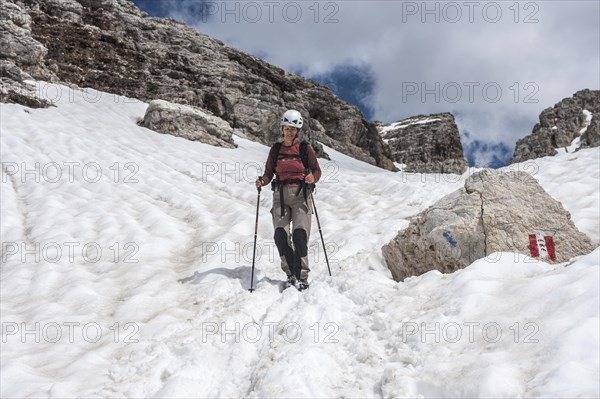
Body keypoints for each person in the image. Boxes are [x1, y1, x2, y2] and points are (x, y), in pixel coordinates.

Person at [255, 109, 322, 290]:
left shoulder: (304, 148)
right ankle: (290, 273)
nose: (290, 131)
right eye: (287, 128)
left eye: (293, 128)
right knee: (280, 236)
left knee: (300, 235)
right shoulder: (276, 149)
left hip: (301, 196)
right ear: (282, 129)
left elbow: (317, 171)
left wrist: (312, 178)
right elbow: (269, 173)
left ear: (297, 130)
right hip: (280, 197)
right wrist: (262, 181)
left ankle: (301, 276)